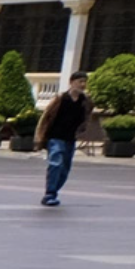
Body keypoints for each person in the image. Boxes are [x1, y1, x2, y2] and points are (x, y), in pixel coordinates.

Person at [38, 69, 93, 207]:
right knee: (55, 164)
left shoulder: (85, 101)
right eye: (80, 81)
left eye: (85, 82)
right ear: (72, 82)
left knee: (64, 169)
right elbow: (45, 118)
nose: (83, 85)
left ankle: (54, 191)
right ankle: (49, 193)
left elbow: (86, 117)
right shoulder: (60, 99)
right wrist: (39, 137)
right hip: (55, 137)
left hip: (70, 139)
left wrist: (83, 130)